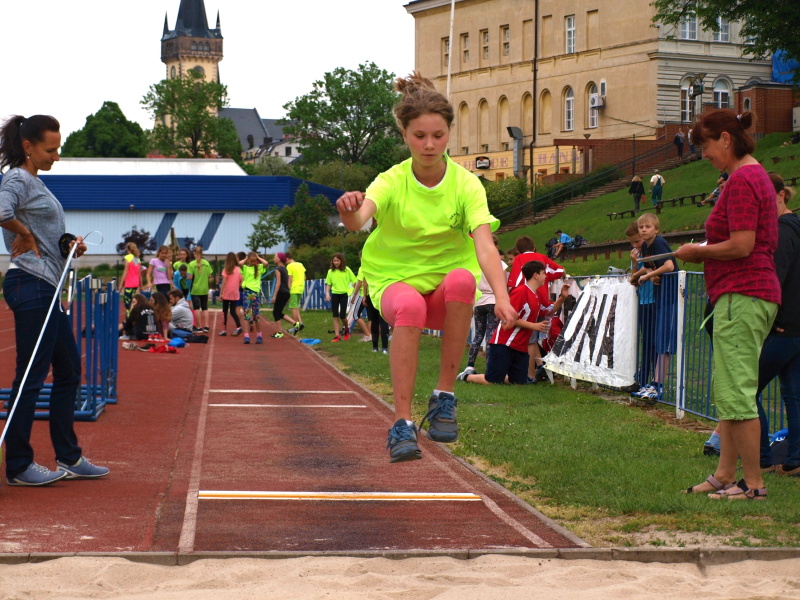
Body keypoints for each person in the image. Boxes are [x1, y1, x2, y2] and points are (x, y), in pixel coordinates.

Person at [335, 72, 516, 463]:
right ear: (404, 134)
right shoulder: (391, 181)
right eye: (420, 136)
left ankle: (444, 397)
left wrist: (501, 296)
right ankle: (402, 423)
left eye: (438, 135)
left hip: (444, 292)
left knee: (463, 280)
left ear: (449, 133)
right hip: (395, 280)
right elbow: (360, 220)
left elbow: (485, 244)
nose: (430, 144)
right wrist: (349, 212)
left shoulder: (466, 184)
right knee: (410, 306)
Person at [675, 109, 780, 500]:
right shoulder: (752, 175)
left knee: (736, 392)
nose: (703, 154)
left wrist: (698, 252)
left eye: (705, 145)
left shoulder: (742, 180)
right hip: (744, 294)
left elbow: (742, 244)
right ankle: (724, 474)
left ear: (725, 139)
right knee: (729, 388)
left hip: (743, 293)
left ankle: (753, 484)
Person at [0, 114, 109, 485]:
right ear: (28, 147)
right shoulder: (17, 178)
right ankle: (18, 465)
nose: (57, 156)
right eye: (51, 150)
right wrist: (24, 234)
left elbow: (44, 236)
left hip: (46, 285)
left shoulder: (36, 183)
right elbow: (2, 212)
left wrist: (67, 244)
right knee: (31, 376)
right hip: (30, 285)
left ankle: (69, 457)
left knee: (69, 371)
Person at [459, 261, 568, 385]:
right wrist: (534, 326)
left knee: (518, 383)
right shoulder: (520, 292)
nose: (546, 276)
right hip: (504, 344)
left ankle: (500, 376)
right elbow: (510, 318)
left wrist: (563, 297)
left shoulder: (537, 295)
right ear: (535, 275)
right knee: (492, 381)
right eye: (543, 273)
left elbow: (549, 310)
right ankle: (466, 377)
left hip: (520, 347)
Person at [629, 213, 677, 402]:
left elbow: (669, 265)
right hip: (660, 295)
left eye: (647, 227)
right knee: (659, 339)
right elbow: (650, 266)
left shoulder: (658, 243)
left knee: (664, 341)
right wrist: (643, 274)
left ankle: (658, 385)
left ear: (656, 229)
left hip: (670, 295)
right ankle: (654, 383)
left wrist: (648, 276)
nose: (643, 230)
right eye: (641, 227)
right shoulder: (646, 247)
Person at [506, 235, 566, 380]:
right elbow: (559, 271)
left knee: (530, 340)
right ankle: (540, 365)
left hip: (527, 300)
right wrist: (549, 278)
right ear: (533, 247)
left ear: (519, 250)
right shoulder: (542, 257)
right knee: (533, 337)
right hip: (543, 301)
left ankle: (530, 375)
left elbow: (514, 282)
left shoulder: (519, 259)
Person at [465, 234, 507, 371]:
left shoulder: (477, 262)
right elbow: (503, 284)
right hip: (493, 301)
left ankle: (470, 364)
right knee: (490, 335)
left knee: (478, 335)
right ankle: (490, 366)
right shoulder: (500, 264)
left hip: (479, 301)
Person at [625, 221, 656, 394]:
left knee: (653, 341)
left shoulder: (651, 251)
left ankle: (650, 380)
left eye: (637, 241)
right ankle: (642, 378)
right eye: (632, 243)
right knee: (646, 341)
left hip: (654, 300)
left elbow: (647, 271)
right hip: (643, 301)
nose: (635, 245)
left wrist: (638, 272)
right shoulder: (637, 254)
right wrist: (635, 264)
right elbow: (634, 280)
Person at [324, 252, 357, 342]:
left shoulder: (347, 270)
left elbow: (354, 281)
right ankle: (337, 336)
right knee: (335, 315)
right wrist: (327, 293)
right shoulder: (330, 271)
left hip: (344, 295)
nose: (336, 262)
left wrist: (351, 290)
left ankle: (346, 329)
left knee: (342, 315)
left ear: (341, 261)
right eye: (334, 261)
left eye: (337, 260)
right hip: (335, 294)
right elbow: (328, 284)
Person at [239, 251, 268, 344]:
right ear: (248, 260)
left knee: (256, 315)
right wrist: (246, 258)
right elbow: (239, 263)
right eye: (251, 261)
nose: (253, 263)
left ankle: (259, 335)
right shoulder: (245, 268)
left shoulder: (259, 267)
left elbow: (266, 263)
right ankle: (246, 336)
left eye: (254, 261)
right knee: (247, 315)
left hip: (255, 293)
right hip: (247, 292)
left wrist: (258, 257)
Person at [269, 252, 297, 338]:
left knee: (276, 312)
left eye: (275, 257)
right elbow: (288, 282)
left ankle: (279, 333)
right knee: (279, 312)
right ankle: (296, 324)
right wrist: (289, 293)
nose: (274, 259)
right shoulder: (285, 269)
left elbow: (278, 283)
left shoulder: (278, 269)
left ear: (279, 259)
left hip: (281, 292)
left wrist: (274, 295)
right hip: (286, 292)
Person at [187, 245, 211, 333]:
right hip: (204, 288)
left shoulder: (191, 264)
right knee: (205, 307)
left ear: (194, 253)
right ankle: (206, 326)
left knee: (196, 307)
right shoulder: (206, 263)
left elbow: (190, 277)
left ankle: (199, 326)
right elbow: (209, 275)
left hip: (195, 288)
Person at [218, 252, 243, 336]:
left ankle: (224, 330)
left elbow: (224, 282)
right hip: (235, 293)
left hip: (227, 292)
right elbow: (242, 281)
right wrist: (237, 287)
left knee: (224, 311)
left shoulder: (226, 270)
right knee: (232, 311)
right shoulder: (239, 270)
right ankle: (238, 326)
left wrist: (221, 293)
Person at [118, 242, 142, 316]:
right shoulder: (137, 259)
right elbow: (139, 274)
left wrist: (121, 284)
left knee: (127, 303)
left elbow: (126, 271)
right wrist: (141, 285)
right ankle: (133, 316)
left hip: (129, 283)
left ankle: (130, 317)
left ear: (128, 249)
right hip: (136, 283)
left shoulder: (128, 257)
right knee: (133, 301)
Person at [285, 251, 306, 335]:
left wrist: (288, 291)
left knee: (293, 307)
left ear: (287, 259)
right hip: (301, 288)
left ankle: (295, 326)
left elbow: (290, 279)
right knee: (296, 306)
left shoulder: (289, 266)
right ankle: (300, 322)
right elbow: (304, 277)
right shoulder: (300, 264)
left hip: (294, 288)